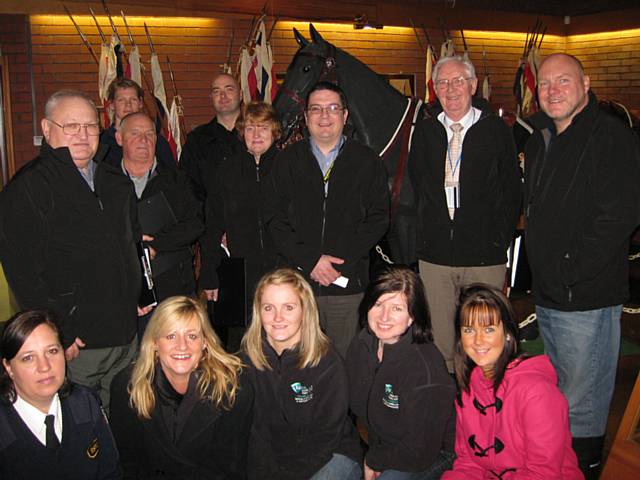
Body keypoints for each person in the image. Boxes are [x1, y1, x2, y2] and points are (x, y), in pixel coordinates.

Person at [523, 52, 640, 478]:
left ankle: (583, 471)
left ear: (585, 84)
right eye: (546, 84)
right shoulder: (541, 139)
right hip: (551, 294)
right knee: (559, 399)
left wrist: (572, 268)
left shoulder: (610, 137)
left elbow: (620, 216)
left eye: (564, 82)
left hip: (585, 297)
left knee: (582, 404)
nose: (553, 91)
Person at [0, 89, 140, 409]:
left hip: (124, 333)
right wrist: (58, 331)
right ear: (47, 129)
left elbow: (130, 242)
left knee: (123, 423)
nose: (83, 135)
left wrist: (139, 292)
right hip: (78, 342)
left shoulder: (114, 181)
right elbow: (23, 272)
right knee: (80, 426)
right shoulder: (29, 188)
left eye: (90, 126)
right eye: (71, 126)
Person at [409, 55, 521, 372]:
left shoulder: (496, 130)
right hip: (436, 258)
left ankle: (487, 410)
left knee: (485, 342)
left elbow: (512, 191)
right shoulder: (426, 132)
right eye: (442, 82)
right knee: (442, 345)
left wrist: (498, 240)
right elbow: (418, 188)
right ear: (435, 89)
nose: (451, 88)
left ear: (472, 85)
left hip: (484, 256)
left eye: (458, 80)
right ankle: (450, 412)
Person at [265, 82, 389, 357]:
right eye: (316, 109)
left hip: (347, 284)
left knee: (347, 364)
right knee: (298, 364)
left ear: (345, 116)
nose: (324, 116)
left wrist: (337, 262)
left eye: (333, 108)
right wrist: (310, 260)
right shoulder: (287, 161)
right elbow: (274, 219)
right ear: (306, 117)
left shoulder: (367, 161)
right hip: (297, 286)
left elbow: (378, 219)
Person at [441, 284, 583, 479]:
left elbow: (543, 474)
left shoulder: (536, 392)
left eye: (489, 329)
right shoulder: (469, 389)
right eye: (469, 330)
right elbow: (467, 462)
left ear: (507, 334)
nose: (478, 340)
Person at [109, 296, 253, 479]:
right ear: (154, 343)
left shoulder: (233, 391)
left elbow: (230, 467)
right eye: (171, 336)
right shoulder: (127, 386)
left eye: (192, 336)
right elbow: (127, 461)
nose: (182, 346)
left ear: (205, 342)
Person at [241, 268, 362, 480]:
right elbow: (253, 434)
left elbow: (325, 438)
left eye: (289, 307)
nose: (277, 317)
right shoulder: (246, 361)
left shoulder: (327, 362)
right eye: (268, 308)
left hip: (330, 455)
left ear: (305, 310)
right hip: (274, 459)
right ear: (258, 312)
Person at [346, 265, 456, 480]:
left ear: (413, 316)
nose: (384, 317)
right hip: (383, 446)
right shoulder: (362, 345)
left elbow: (420, 451)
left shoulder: (424, 369)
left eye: (397, 308)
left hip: (432, 455)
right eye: (378, 304)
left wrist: (374, 460)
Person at [0, 310, 122, 479]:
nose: (44, 367)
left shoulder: (84, 402)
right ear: (8, 367)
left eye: (52, 351)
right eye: (28, 358)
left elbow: (111, 472)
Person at [114, 111, 203, 337]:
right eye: (135, 133)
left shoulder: (176, 179)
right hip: (122, 292)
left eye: (150, 134)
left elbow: (195, 223)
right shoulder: (107, 182)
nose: (144, 140)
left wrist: (157, 244)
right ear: (119, 138)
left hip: (173, 288)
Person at [200, 101, 280, 317]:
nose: (256, 134)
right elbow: (212, 224)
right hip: (239, 271)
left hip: (282, 270)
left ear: (274, 132)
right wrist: (209, 272)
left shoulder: (288, 167)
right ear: (242, 132)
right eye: (250, 128)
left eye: (263, 127)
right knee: (243, 341)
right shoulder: (227, 170)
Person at [180, 73, 244, 204]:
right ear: (211, 98)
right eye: (216, 91)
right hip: (211, 222)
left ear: (241, 95)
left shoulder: (258, 136)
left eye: (229, 89)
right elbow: (187, 189)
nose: (223, 96)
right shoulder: (196, 141)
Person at [100, 78, 176, 170]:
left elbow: (173, 177)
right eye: (121, 100)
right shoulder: (101, 143)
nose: (128, 105)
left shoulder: (157, 142)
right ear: (112, 104)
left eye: (133, 100)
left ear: (140, 103)